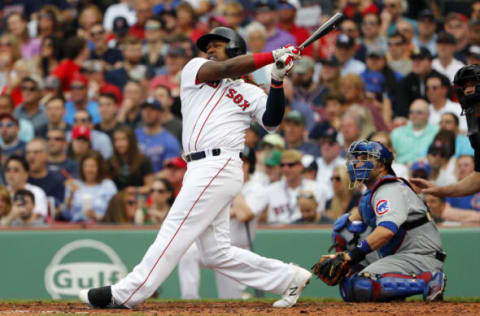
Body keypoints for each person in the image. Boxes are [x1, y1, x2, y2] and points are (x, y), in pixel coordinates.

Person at [79, 26, 311, 309]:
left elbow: (272, 120)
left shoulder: (248, 91)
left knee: (175, 228)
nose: (209, 50)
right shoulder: (196, 69)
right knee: (215, 253)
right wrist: (272, 56)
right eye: (207, 46)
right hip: (199, 167)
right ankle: (288, 277)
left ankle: (127, 293)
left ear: (235, 47)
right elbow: (223, 68)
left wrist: (276, 80)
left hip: (219, 163)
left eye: (217, 44)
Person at [318, 140, 446, 302]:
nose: (357, 163)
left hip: (419, 255)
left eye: (365, 158)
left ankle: (429, 280)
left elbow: (386, 231)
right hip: (397, 254)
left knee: (359, 287)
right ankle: (373, 279)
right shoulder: (371, 193)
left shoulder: (389, 189)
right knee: (344, 228)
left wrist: (351, 256)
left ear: (381, 165)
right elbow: (347, 227)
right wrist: (341, 259)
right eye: (356, 158)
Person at [411, 65, 480, 198]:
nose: (468, 90)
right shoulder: (474, 119)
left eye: (474, 84)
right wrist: (442, 190)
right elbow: (478, 177)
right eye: (465, 86)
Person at [62, 150, 117, 222]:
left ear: (99, 167)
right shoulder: (74, 184)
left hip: (101, 228)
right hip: (77, 227)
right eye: (86, 166)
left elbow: (115, 214)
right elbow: (65, 215)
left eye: (93, 166)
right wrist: (71, 195)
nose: (89, 169)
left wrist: (96, 216)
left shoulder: (108, 185)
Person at [134, 97, 181, 172]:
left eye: (152, 109)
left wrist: (149, 182)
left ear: (161, 113)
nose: (147, 113)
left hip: (158, 181)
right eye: (144, 109)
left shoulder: (169, 140)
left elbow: (171, 170)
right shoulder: (133, 135)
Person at [109, 126, 153, 194]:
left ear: (131, 141)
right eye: (116, 140)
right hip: (117, 199)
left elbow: (150, 187)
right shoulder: (110, 161)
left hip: (138, 198)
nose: (120, 144)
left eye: (123, 139)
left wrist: (135, 190)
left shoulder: (143, 160)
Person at [4, 155, 48, 220]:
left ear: (26, 174)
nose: (11, 173)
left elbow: (39, 217)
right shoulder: (2, 192)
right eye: (8, 170)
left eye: (16, 170)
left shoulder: (36, 192)